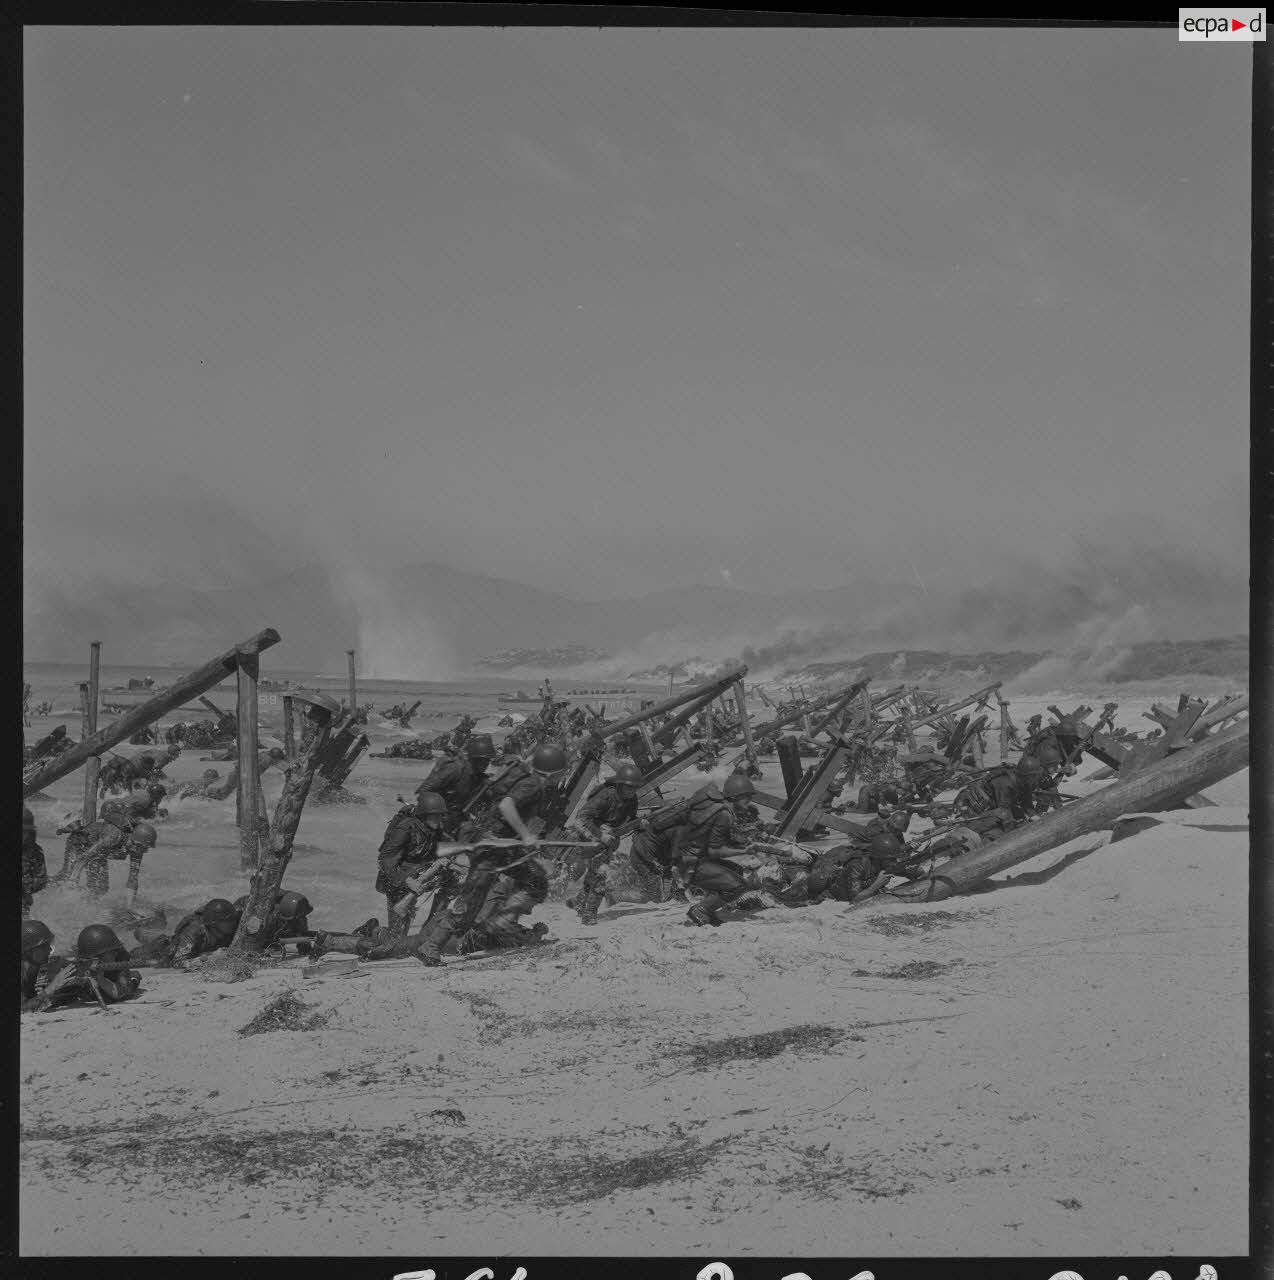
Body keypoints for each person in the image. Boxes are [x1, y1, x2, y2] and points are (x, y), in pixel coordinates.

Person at [412, 743, 569, 965]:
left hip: (502, 846)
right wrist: (526, 835)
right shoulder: (532, 784)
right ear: (553, 772)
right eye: (562, 771)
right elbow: (506, 806)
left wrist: (524, 840)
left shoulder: (529, 779)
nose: (564, 774)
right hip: (490, 847)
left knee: (535, 880)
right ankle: (432, 946)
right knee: (471, 901)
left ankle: (501, 922)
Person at [676, 773, 758, 928]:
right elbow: (715, 851)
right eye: (746, 796)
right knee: (739, 885)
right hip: (692, 864)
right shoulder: (724, 814)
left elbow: (716, 841)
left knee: (737, 870)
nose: (749, 800)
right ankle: (701, 909)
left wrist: (742, 843)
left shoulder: (720, 809)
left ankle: (709, 907)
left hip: (690, 859)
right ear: (735, 796)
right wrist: (744, 852)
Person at [566, 763, 643, 925]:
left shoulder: (632, 800)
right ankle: (589, 913)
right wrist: (600, 835)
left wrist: (639, 823)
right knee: (598, 876)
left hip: (607, 842)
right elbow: (581, 818)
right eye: (629, 787)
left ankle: (580, 904)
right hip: (588, 839)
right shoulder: (606, 796)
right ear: (620, 784)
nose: (632, 791)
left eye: (635, 788)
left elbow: (628, 819)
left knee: (596, 874)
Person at [376, 792, 454, 936]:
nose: (439, 819)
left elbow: (445, 844)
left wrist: (443, 858)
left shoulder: (433, 829)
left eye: (440, 815)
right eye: (435, 816)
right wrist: (407, 880)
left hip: (416, 879)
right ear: (424, 815)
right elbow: (385, 860)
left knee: (454, 878)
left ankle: (428, 929)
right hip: (396, 882)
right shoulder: (405, 829)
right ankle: (373, 932)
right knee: (397, 934)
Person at [30, 925, 142, 1010]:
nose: (111, 956)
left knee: (133, 980)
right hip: (79, 984)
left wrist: (100, 979)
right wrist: (46, 990)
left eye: (112, 952)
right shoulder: (75, 970)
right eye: (101, 956)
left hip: (108, 980)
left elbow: (123, 992)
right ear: (87, 957)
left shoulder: (120, 957)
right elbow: (39, 1004)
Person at [57, 813, 158, 898]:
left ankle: (84, 905)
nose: (143, 851)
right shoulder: (115, 835)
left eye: (146, 848)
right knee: (65, 879)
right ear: (134, 841)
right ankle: (53, 892)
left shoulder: (137, 850)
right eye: (143, 847)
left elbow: (133, 879)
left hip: (97, 855)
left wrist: (129, 908)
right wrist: (73, 879)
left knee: (101, 888)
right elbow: (86, 856)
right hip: (79, 844)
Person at [414, 733, 496, 837]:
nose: (486, 764)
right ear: (474, 759)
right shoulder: (455, 770)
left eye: (488, 761)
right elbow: (424, 791)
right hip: (439, 818)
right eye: (483, 761)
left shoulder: (479, 778)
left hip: (457, 817)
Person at [132, 898, 243, 967]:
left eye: (233, 919)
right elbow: (178, 961)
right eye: (228, 921)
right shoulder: (195, 931)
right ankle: (140, 927)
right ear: (213, 923)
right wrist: (211, 957)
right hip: (161, 950)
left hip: (171, 940)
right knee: (133, 954)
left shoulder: (232, 922)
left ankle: (148, 927)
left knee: (155, 936)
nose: (233, 922)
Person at [21, 920, 56, 1009]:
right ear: (29, 951)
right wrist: (51, 987)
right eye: (44, 946)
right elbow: (23, 1009)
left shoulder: (33, 968)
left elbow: (31, 999)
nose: (49, 949)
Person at [22, 806, 48, 919]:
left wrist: (26, 887)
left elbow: (42, 879)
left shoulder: (35, 851)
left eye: (26, 832)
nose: (25, 836)